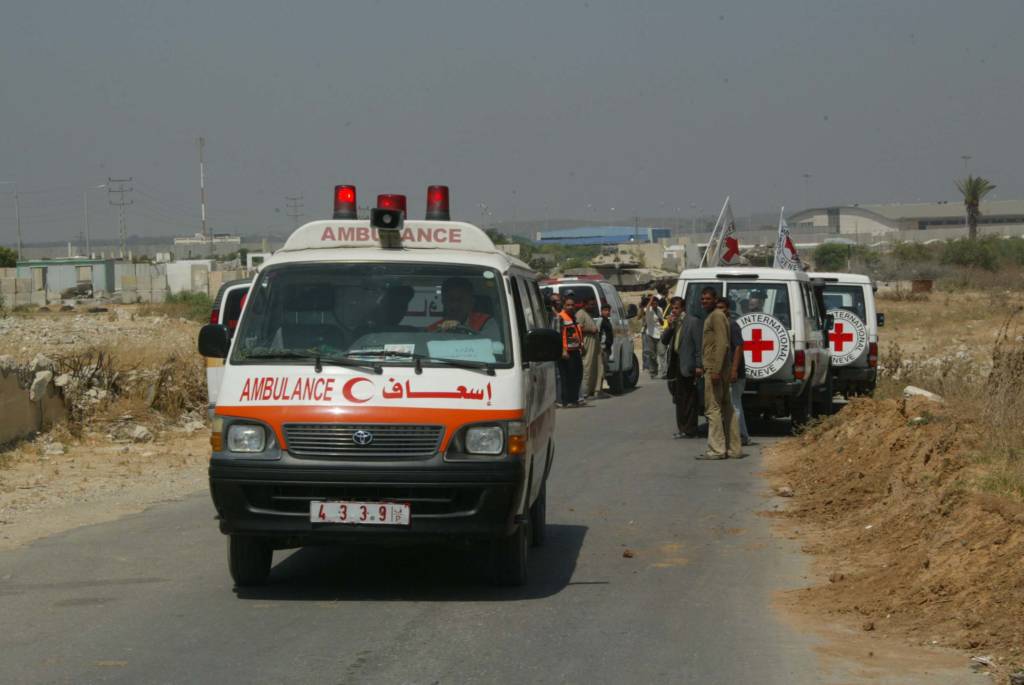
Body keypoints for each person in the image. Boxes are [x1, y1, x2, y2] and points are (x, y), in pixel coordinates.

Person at [699, 295, 742, 459]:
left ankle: (716, 449)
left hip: (715, 368)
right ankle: (734, 448)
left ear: (714, 300)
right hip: (721, 367)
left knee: (713, 408)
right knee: (726, 406)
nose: (704, 301)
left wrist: (715, 370)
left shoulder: (716, 316)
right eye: (702, 299)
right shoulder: (717, 316)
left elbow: (723, 343)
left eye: (708, 298)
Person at [662, 296, 702, 438]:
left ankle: (691, 429)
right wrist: (670, 326)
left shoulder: (693, 322)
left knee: (690, 398)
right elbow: (664, 341)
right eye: (672, 308)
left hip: (689, 365)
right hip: (676, 364)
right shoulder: (675, 323)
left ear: (683, 308)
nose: (674, 311)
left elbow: (698, 345)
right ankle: (682, 428)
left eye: (677, 308)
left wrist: (698, 365)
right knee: (679, 398)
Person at [717, 297, 750, 446]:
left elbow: (739, 347)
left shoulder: (732, 325)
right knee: (734, 405)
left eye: (722, 307)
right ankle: (740, 435)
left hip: (734, 374)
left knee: (734, 406)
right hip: (725, 373)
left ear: (728, 309)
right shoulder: (720, 325)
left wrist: (734, 370)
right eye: (717, 308)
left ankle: (741, 436)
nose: (719, 311)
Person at [427, 277, 499, 337]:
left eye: (461, 300)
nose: (454, 305)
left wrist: (461, 329)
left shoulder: (486, 322)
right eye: (450, 300)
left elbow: (491, 346)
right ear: (443, 302)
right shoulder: (433, 329)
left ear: (471, 302)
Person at [556, 293, 584, 407]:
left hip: (575, 350)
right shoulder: (560, 317)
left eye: (572, 305)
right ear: (564, 306)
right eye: (568, 305)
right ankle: (566, 401)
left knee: (577, 375)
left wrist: (582, 345)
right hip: (566, 352)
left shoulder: (573, 316)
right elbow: (558, 335)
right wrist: (563, 350)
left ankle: (574, 399)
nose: (570, 307)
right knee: (567, 376)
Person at [577, 299, 601, 400]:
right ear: (584, 304)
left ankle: (592, 390)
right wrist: (591, 330)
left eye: (594, 305)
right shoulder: (580, 314)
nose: (593, 306)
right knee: (586, 367)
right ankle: (584, 393)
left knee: (594, 367)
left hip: (593, 343)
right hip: (586, 342)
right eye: (591, 304)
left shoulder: (587, 314)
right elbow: (578, 328)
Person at [642, 294, 664, 378]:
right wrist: (650, 299)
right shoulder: (648, 310)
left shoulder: (660, 310)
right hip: (651, 334)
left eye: (656, 303)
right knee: (652, 355)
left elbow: (662, 323)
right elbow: (646, 308)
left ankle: (664, 372)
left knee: (662, 353)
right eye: (653, 303)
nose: (655, 304)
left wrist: (660, 319)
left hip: (660, 333)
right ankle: (653, 372)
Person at [597, 303, 614, 397]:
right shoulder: (601, 320)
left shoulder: (607, 320)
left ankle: (600, 389)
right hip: (602, 348)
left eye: (608, 310)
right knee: (602, 369)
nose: (607, 312)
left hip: (606, 348)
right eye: (605, 310)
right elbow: (598, 333)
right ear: (602, 311)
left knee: (604, 369)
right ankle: (599, 390)